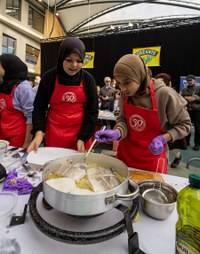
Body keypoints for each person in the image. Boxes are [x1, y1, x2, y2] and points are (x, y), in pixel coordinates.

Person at [95, 54, 191, 173]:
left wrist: (164, 138)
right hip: (126, 156)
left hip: (152, 158)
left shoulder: (164, 94)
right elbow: (123, 120)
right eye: (119, 83)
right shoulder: (126, 94)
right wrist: (117, 132)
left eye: (127, 82)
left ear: (139, 76)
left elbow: (184, 125)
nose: (123, 88)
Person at [27, 37, 98, 154]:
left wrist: (83, 137)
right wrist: (39, 132)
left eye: (79, 61)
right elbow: (39, 108)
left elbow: (92, 112)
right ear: (61, 58)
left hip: (80, 134)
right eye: (69, 60)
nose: (74, 65)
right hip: (55, 133)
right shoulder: (49, 78)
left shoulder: (88, 80)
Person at [0, 54, 35, 148]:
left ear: (9, 67)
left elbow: (31, 116)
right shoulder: (4, 84)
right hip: (4, 132)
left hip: (19, 136)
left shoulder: (23, 88)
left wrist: (27, 142)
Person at [154, 72, 187, 168]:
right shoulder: (153, 93)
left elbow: (182, 116)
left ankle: (177, 157)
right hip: (159, 125)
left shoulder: (171, 93)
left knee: (172, 146)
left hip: (171, 126)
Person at [180, 74, 200, 151]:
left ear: (194, 80)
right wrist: (185, 98)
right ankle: (186, 142)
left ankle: (197, 144)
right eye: (188, 80)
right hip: (187, 111)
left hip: (197, 111)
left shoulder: (199, 88)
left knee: (198, 128)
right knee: (186, 127)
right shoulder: (184, 89)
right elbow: (180, 99)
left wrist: (194, 99)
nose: (189, 81)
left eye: (191, 80)